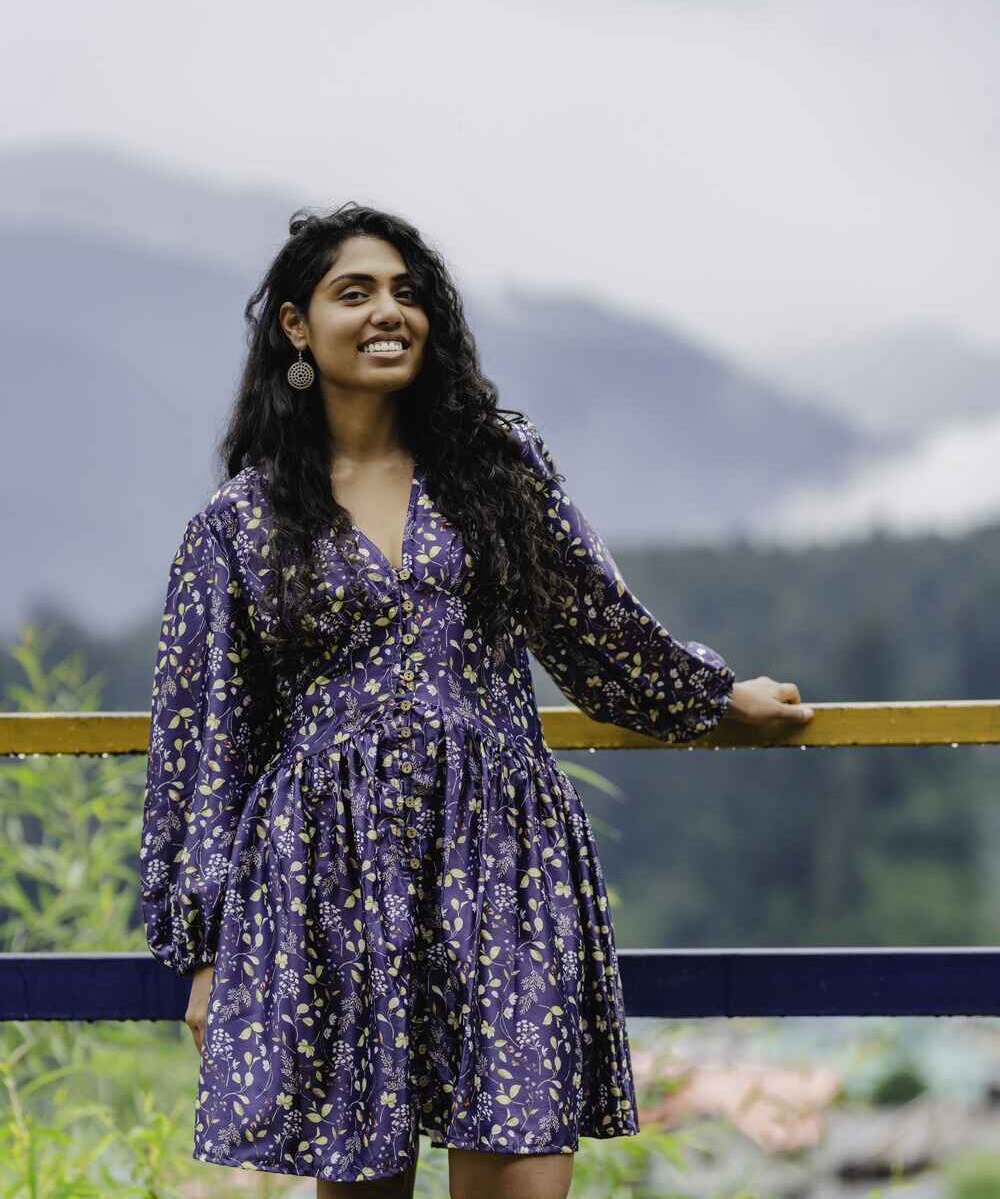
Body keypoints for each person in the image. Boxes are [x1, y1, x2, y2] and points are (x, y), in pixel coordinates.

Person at [138, 204, 814, 1199]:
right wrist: (206, 953)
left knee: (524, 1178)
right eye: (354, 291)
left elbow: (595, 624)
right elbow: (209, 744)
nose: (388, 311)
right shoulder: (238, 523)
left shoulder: (492, 464)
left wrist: (718, 697)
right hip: (331, 875)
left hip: (500, 855)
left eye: (407, 293)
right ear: (295, 325)